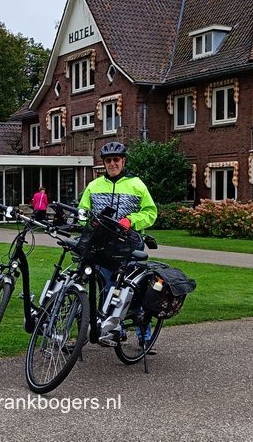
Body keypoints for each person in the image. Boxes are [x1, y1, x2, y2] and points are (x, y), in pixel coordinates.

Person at [77, 141, 158, 350]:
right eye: (108, 160)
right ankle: (114, 329)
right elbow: (82, 212)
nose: (112, 164)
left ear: (123, 161)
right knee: (107, 289)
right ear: (103, 163)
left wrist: (131, 221)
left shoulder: (137, 184)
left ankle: (144, 336)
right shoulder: (93, 186)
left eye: (116, 160)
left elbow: (150, 212)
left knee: (134, 291)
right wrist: (87, 221)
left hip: (129, 245)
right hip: (103, 246)